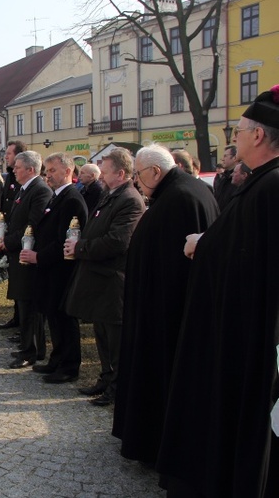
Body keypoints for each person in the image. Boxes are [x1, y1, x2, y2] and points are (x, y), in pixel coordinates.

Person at [157, 85, 279, 497]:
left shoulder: (269, 187)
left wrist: (200, 246)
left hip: (248, 335)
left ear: (259, 135)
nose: (235, 138)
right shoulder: (260, 183)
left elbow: (248, 259)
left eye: (240, 130)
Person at [111, 143, 219, 466]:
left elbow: (179, 266)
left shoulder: (182, 198)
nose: (136, 183)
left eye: (138, 177)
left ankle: (155, 445)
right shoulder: (177, 192)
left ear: (155, 172)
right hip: (158, 306)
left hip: (166, 313)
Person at [63, 148, 145, 406]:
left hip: (112, 279)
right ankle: (105, 378)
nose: (101, 176)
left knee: (115, 338)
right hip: (97, 277)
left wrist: (81, 248)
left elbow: (117, 242)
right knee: (101, 333)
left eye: (105, 171)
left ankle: (116, 388)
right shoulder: (111, 195)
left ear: (120, 173)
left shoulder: (129, 199)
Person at [21, 153, 88, 384]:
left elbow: (64, 240)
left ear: (68, 172)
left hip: (61, 270)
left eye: (52, 170)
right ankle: (57, 359)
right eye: (47, 170)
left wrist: (38, 256)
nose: (47, 175)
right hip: (49, 269)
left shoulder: (71, 199)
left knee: (64, 318)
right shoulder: (58, 196)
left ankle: (69, 366)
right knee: (53, 316)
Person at [1, 151, 52, 369]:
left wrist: (9, 241)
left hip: (27, 255)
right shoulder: (25, 189)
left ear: (30, 169)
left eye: (17, 167)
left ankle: (31, 350)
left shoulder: (39, 190)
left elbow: (32, 225)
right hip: (18, 254)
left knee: (29, 305)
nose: (13, 170)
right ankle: (28, 347)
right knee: (23, 303)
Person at [0, 140, 25, 331]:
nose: (6, 156)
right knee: (14, 280)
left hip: (18, 236)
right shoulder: (10, 177)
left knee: (20, 283)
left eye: (9, 153)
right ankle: (17, 318)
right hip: (7, 230)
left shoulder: (21, 179)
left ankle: (21, 319)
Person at [213, 144, 239, 210]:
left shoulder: (239, 177)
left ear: (234, 158)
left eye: (225, 156)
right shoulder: (223, 177)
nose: (222, 159)